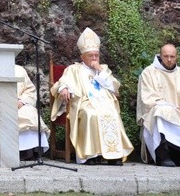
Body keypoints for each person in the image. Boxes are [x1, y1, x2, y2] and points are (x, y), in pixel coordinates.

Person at [50, 27, 133, 165]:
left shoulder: (103, 69)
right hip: (85, 102)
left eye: (96, 55)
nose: (94, 58)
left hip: (104, 102)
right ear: (82, 56)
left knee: (112, 113)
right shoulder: (74, 69)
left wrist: (99, 70)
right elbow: (62, 82)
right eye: (91, 56)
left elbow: (113, 87)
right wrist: (64, 88)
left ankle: (113, 156)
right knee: (90, 114)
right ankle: (90, 155)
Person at [16, 65, 49, 160]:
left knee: (30, 113)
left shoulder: (19, 70)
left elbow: (30, 90)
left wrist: (22, 101)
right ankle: (20, 152)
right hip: (2, 104)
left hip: (19, 103)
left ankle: (32, 151)